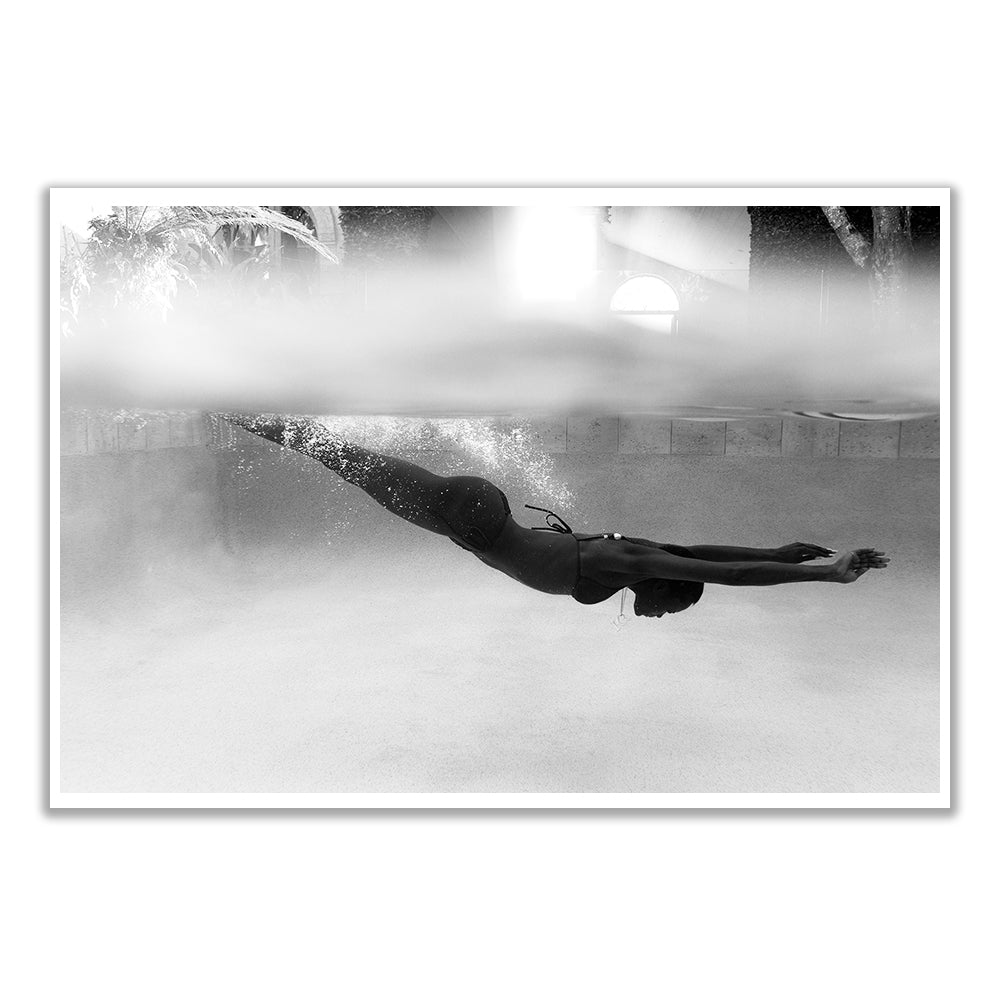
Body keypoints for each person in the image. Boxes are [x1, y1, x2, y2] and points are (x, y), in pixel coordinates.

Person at [225, 414, 889, 618]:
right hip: (473, 517)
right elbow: (725, 574)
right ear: (660, 588)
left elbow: (702, 556)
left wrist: (777, 553)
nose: (656, 616)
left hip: (473, 519)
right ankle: (243, 410)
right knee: (341, 459)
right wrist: (826, 575)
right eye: (667, 609)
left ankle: (252, 413)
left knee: (343, 459)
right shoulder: (629, 565)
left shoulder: (638, 565)